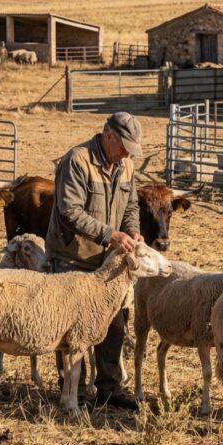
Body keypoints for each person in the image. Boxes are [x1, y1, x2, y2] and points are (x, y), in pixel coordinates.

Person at [45, 111, 144, 409]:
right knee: (67, 327)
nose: (127, 154)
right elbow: (69, 211)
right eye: (124, 146)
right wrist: (109, 234)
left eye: (131, 149)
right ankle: (72, 392)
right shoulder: (77, 161)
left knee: (114, 324)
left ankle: (109, 389)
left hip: (108, 261)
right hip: (73, 256)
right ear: (108, 136)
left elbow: (131, 205)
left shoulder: (126, 165)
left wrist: (133, 232)